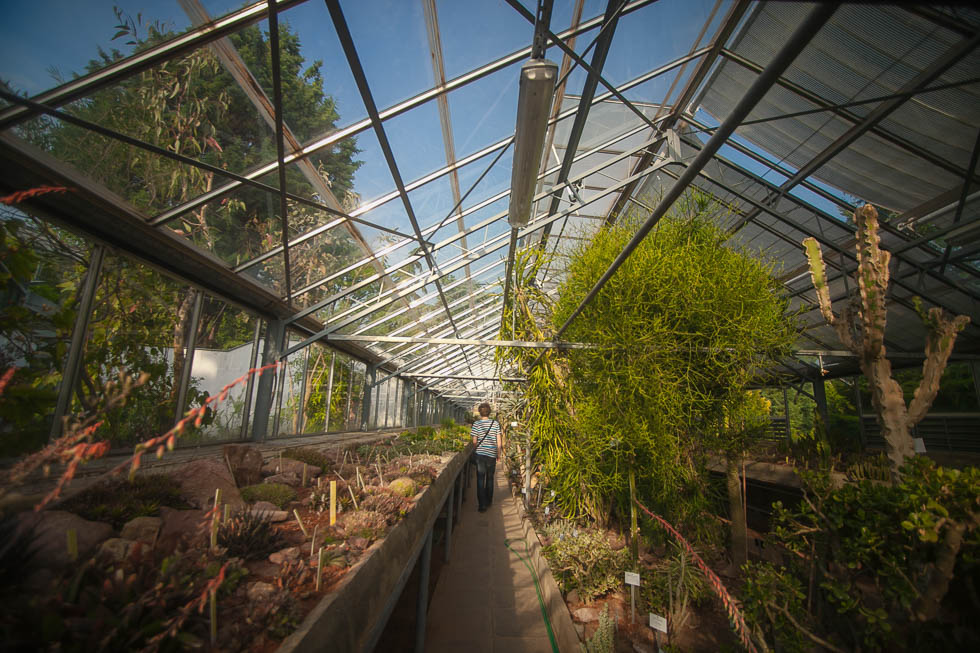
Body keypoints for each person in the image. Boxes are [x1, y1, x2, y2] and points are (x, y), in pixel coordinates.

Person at [470, 402, 503, 513]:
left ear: (480, 412)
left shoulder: (476, 424)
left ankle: (482, 505)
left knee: (480, 479)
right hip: (491, 455)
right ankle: (489, 501)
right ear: (489, 412)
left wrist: (476, 448)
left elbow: (474, 441)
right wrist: (498, 454)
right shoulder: (495, 424)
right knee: (490, 478)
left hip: (480, 455)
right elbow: (499, 441)